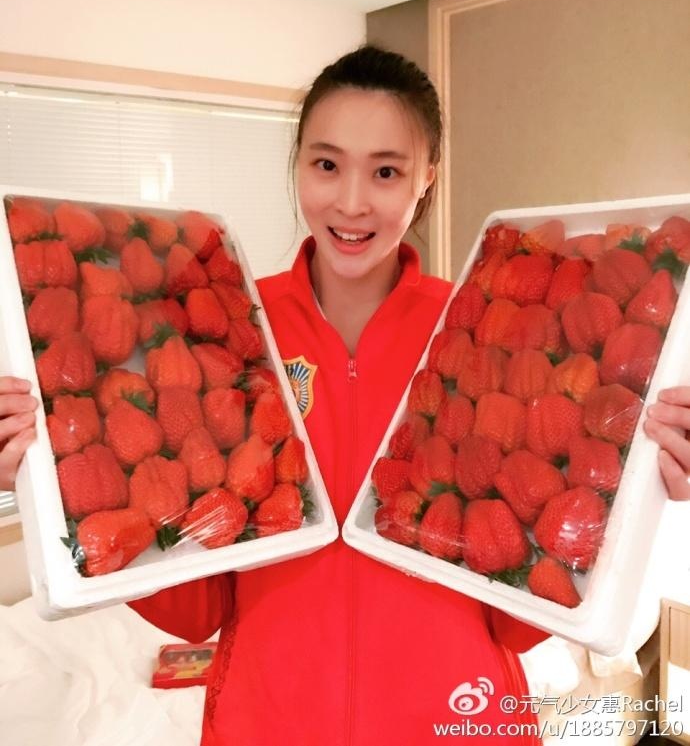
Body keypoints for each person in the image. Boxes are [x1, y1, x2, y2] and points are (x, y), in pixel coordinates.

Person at [1, 46, 689, 746]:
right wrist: (48, 481)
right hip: (266, 727)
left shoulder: (485, 329)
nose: (351, 201)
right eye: (326, 164)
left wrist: (638, 492)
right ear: (298, 164)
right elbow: (201, 602)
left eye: (386, 171)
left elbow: (514, 607)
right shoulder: (224, 326)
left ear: (427, 177)